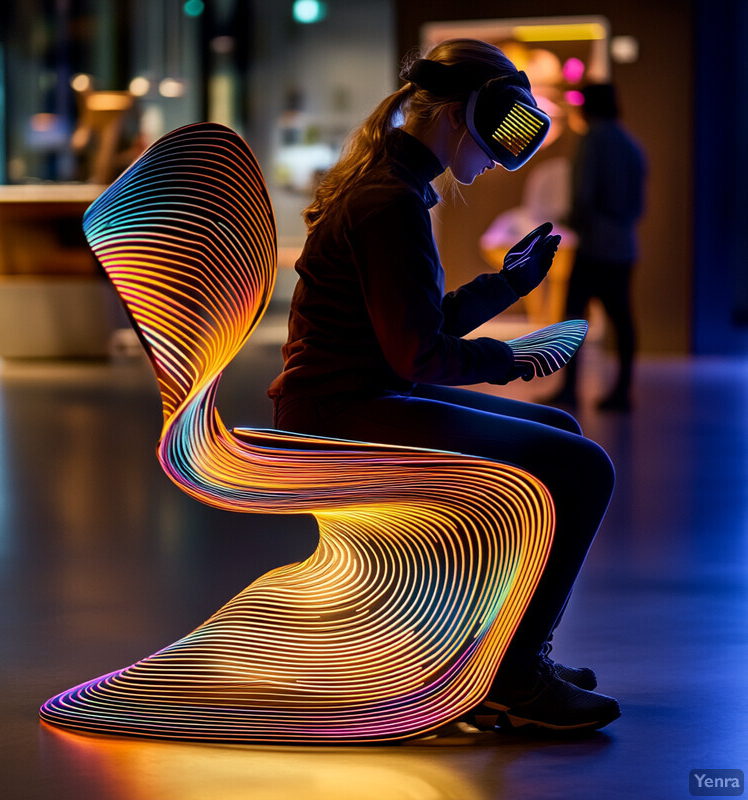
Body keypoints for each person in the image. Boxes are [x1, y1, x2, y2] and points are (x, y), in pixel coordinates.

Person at [268, 39, 620, 734]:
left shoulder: (392, 188)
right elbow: (417, 354)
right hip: (340, 411)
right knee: (582, 469)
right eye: (496, 136)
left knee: (566, 440)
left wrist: (511, 284)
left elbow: (413, 328)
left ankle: (505, 656)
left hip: (356, 395)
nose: (495, 157)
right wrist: (510, 358)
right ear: (461, 116)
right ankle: (516, 674)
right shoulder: (388, 201)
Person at [549, 83, 647, 411]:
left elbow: (583, 196)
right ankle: (622, 391)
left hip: (593, 246)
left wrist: (572, 220)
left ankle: (569, 389)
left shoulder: (593, 140)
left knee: (572, 317)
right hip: (624, 246)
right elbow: (638, 205)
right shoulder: (631, 144)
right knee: (622, 319)